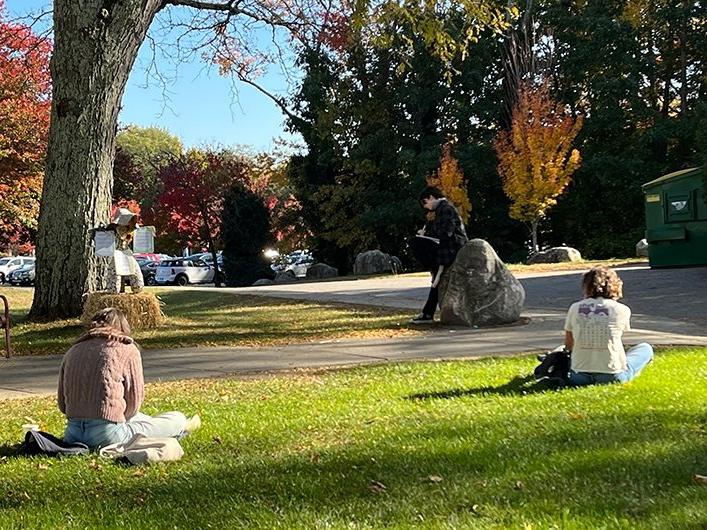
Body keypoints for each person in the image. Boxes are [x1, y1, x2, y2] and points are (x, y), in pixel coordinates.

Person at [58, 307, 201, 449]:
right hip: (109, 435)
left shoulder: (72, 351)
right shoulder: (127, 349)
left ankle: (154, 424)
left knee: (143, 418)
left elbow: (63, 405)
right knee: (177, 418)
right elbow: (134, 404)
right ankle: (179, 427)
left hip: (72, 434)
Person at [563, 266, 653, 386]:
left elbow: (569, 344)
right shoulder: (622, 309)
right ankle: (632, 371)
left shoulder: (575, 307)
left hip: (578, 375)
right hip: (611, 374)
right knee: (645, 348)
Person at [408, 186, 468, 324]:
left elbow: (446, 233)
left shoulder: (446, 209)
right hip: (450, 245)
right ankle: (427, 313)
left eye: (425, 202)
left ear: (431, 197)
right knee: (436, 278)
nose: (426, 207)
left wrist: (427, 235)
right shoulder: (443, 209)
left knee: (416, 243)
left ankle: (427, 313)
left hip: (452, 247)